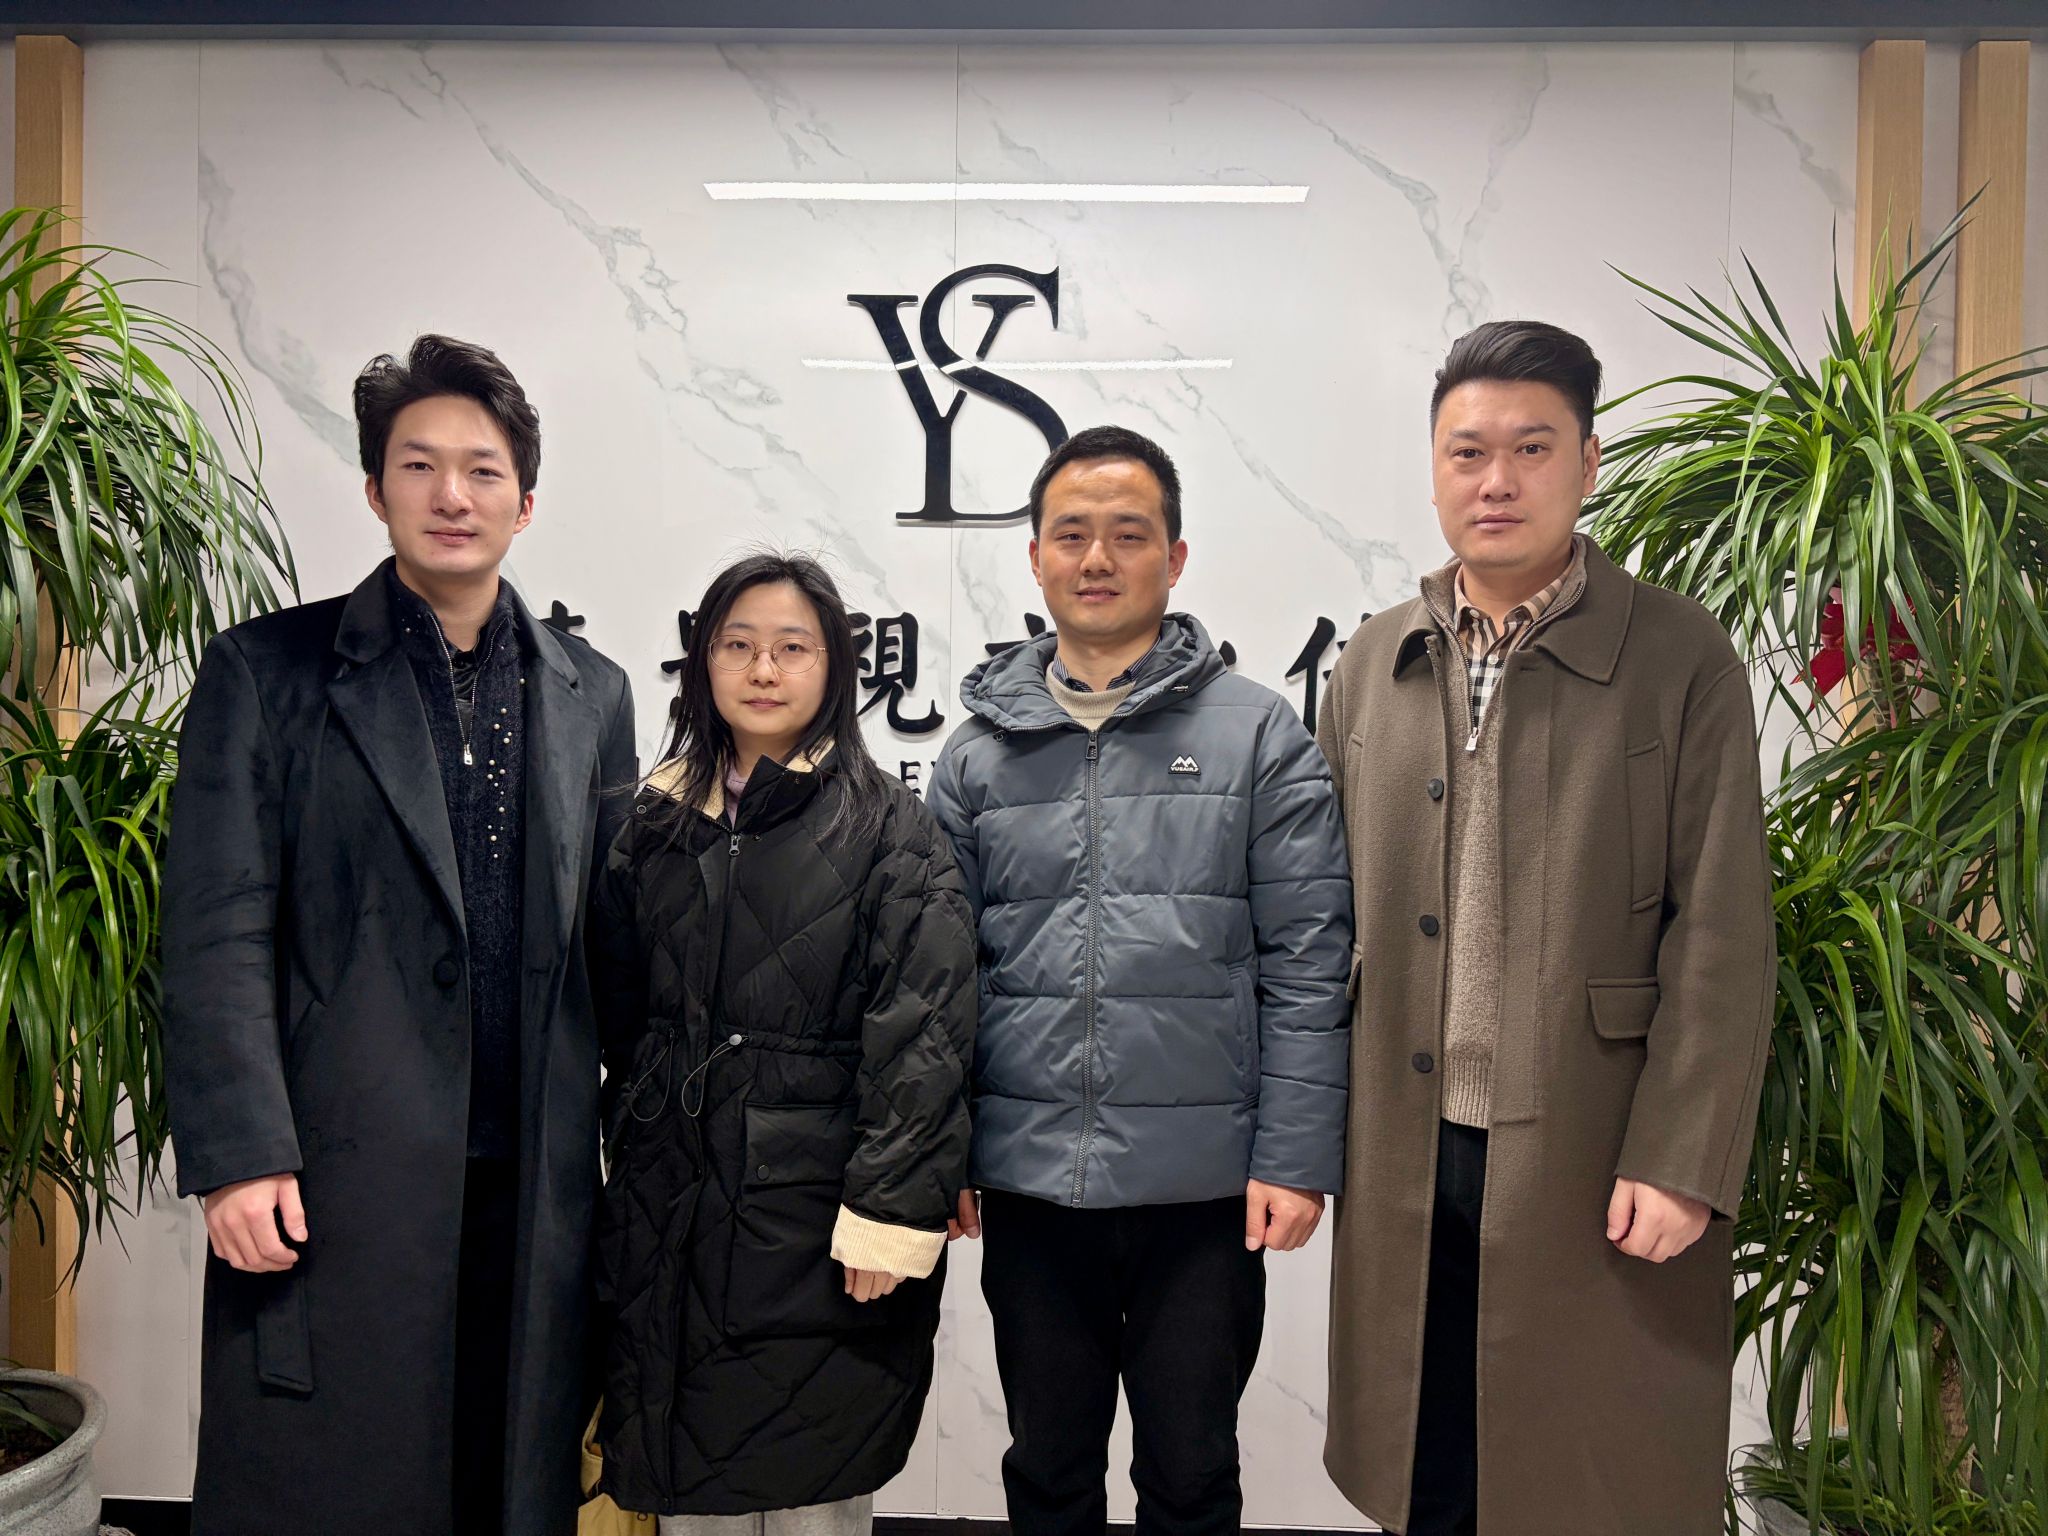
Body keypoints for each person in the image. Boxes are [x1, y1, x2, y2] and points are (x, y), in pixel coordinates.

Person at [161, 335, 637, 1536]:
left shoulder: (592, 692)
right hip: (335, 1168)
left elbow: (616, 947)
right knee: (334, 1481)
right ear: (375, 491)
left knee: (504, 1480)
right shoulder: (268, 672)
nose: (450, 495)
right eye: (418, 466)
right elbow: (215, 927)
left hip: (530, 1177)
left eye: (482, 471)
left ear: (525, 504)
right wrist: (237, 1153)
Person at [1316, 320, 1775, 1536]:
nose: (1496, 480)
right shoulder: (1373, 660)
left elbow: (1720, 929)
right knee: (1426, 1466)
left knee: (1585, 1471)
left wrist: (1680, 1157)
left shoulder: (1678, 656)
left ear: (1586, 461)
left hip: (1594, 1138)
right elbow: (1318, 920)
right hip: (1405, 1137)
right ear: (1433, 468)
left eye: (1531, 448)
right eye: (1466, 452)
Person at [926, 425, 1353, 1536]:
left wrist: (1294, 1158)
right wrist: (945, 1152)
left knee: (1191, 1472)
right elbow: (937, 979)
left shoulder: (1257, 734)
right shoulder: (974, 755)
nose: (1098, 559)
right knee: (1046, 1470)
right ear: (1034, 558)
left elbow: (1308, 959)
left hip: (1202, 1192)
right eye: (1071, 534)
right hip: (1029, 1182)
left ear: (1175, 556)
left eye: (1128, 533)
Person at [591, 553, 976, 1536]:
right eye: (738, 644)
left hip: (817, 1223)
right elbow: (617, 1016)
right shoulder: (651, 824)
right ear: (703, 663)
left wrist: (890, 1212)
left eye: (792, 647)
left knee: (815, 1486)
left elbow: (924, 1030)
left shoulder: (888, 828)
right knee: (686, 1484)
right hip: (669, 1210)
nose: (763, 669)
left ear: (834, 667)